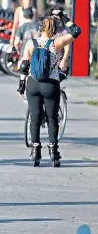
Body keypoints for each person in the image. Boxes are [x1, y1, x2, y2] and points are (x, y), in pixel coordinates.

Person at [17, 10, 81, 166]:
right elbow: (76, 31)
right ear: (54, 30)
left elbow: (24, 66)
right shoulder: (56, 43)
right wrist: (64, 17)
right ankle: (54, 151)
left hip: (33, 83)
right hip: (50, 84)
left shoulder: (31, 43)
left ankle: (35, 150)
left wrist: (21, 86)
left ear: (41, 28)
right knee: (52, 119)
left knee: (35, 118)